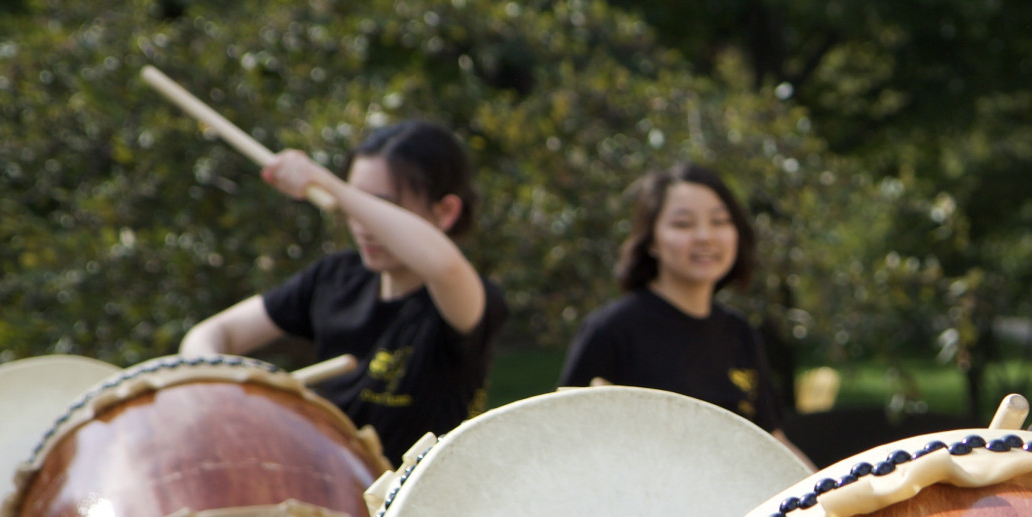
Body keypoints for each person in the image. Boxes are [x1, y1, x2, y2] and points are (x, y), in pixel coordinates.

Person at [180, 118, 507, 464]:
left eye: (379, 206)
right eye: (353, 204)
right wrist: (212, 388)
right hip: (330, 493)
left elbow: (445, 265)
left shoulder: (464, 299)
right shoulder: (336, 278)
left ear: (445, 212)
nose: (361, 224)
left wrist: (330, 185)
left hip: (419, 506)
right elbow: (214, 333)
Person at [559, 163, 799, 452]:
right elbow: (564, 440)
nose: (704, 236)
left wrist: (832, 490)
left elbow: (771, 442)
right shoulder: (611, 330)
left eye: (720, 221)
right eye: (683, 224)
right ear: (651, 241)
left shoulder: (739, 333)